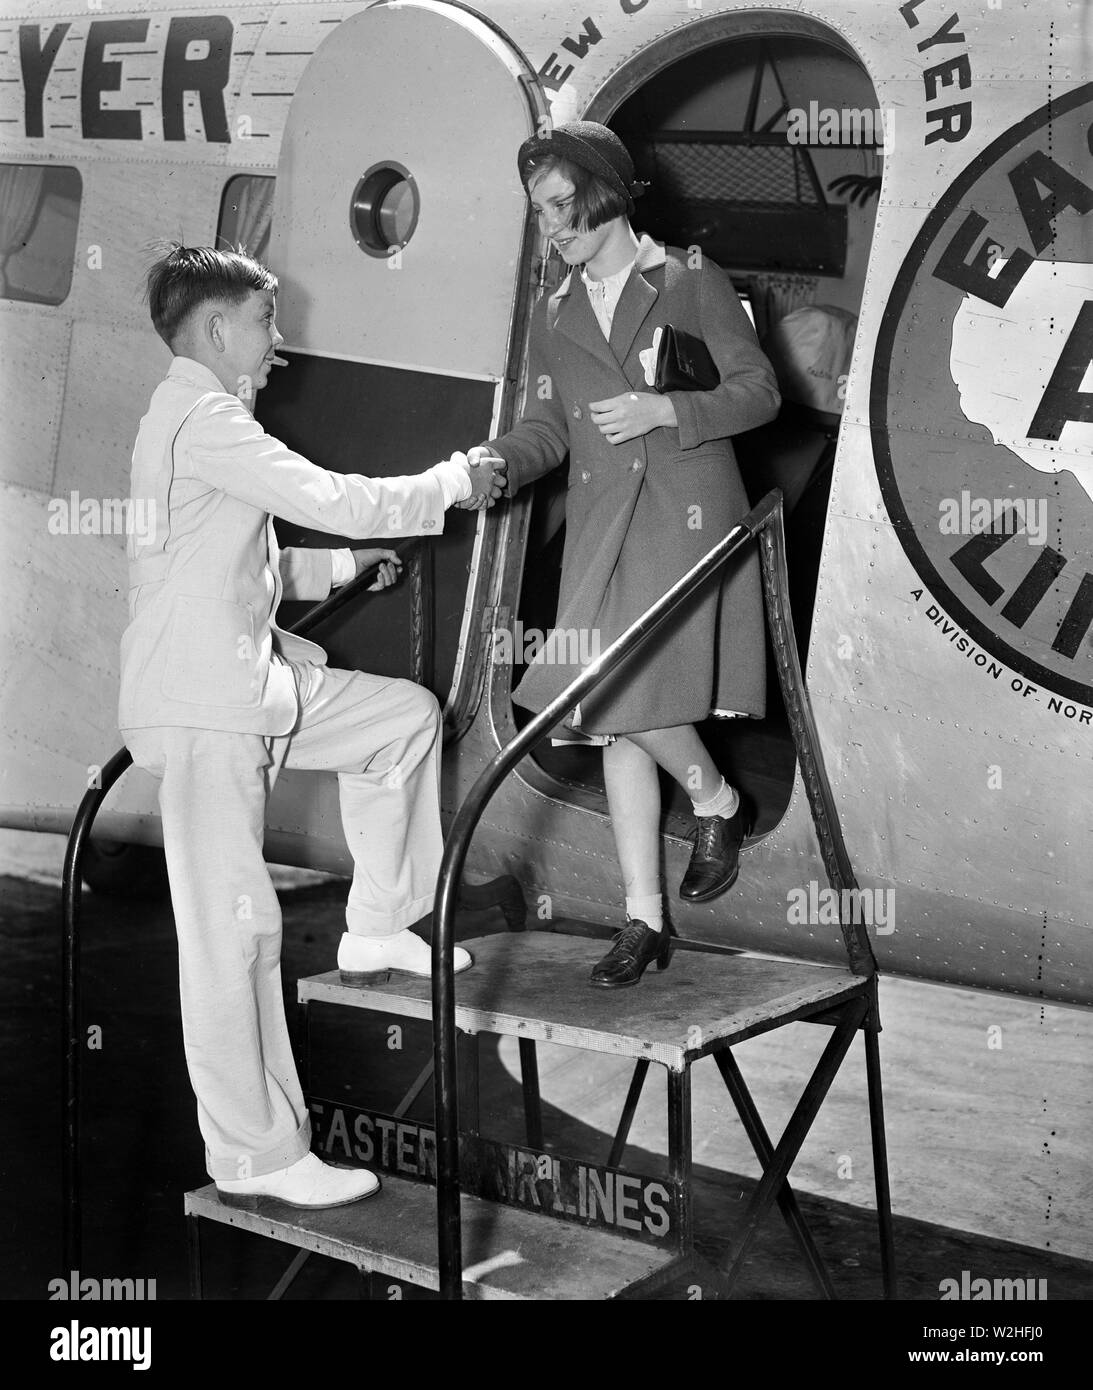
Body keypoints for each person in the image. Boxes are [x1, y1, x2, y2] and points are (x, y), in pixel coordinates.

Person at [119, 244, 505, 1210]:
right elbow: (332, 496)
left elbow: (228, 557)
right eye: (265, 322)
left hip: (245, 690)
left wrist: (337, 570)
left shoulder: (190, 423)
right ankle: (255, 1155)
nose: (278, 342)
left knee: (402, 721)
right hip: (207, 713)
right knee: (233, 934)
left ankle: (376, 926)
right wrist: (457, 481)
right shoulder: (203, 418)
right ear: (216, 330)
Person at [467, 123, 780, 989]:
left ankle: (714, 803)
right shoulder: (552, 309)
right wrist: (498, 460)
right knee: (612, 715)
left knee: (605, 689)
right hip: (603, 525)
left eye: (562, 206)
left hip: (680, 517)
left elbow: (759, 394)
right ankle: (645, 913)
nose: (551, 227)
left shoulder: (686, 278)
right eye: (539, 212)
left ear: (606, 192)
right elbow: (547, 427)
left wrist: (663, 413)